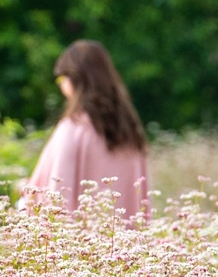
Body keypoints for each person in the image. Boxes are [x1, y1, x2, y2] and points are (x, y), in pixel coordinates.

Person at [24, 39, 151, 222]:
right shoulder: (130, 131)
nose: (60, 86)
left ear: (75, 80)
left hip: (81, 247)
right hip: (127, 246)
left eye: (61, 79)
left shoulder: (73, 129)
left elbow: (56, 194)